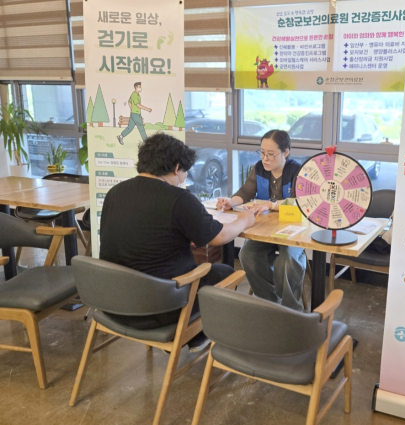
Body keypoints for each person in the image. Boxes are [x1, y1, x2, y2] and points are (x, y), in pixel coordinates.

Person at [100, 133, 256, 352]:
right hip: (158, 309)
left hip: (112, 302)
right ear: (176, 168)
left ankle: (191, 336)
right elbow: (220, 236)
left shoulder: (115, 192)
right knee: (225, 273)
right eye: (185, 172)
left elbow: (140, 234)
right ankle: (193, 333)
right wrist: (245, 219)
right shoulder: (178, 198)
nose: (183, 178)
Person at [216, 130, 305, 311]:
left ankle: (291, 310)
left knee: (287, 260)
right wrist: (230, 202)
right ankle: (269, 303)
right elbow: (246, 192)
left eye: (271, 154)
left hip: (293, 229)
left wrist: (270, 205)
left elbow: (299, 202)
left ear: (286, 152)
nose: (265, 158)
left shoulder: (297, 171)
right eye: (262, 153)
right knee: (247, 254)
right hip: (265, 229)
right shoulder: (259, 168)